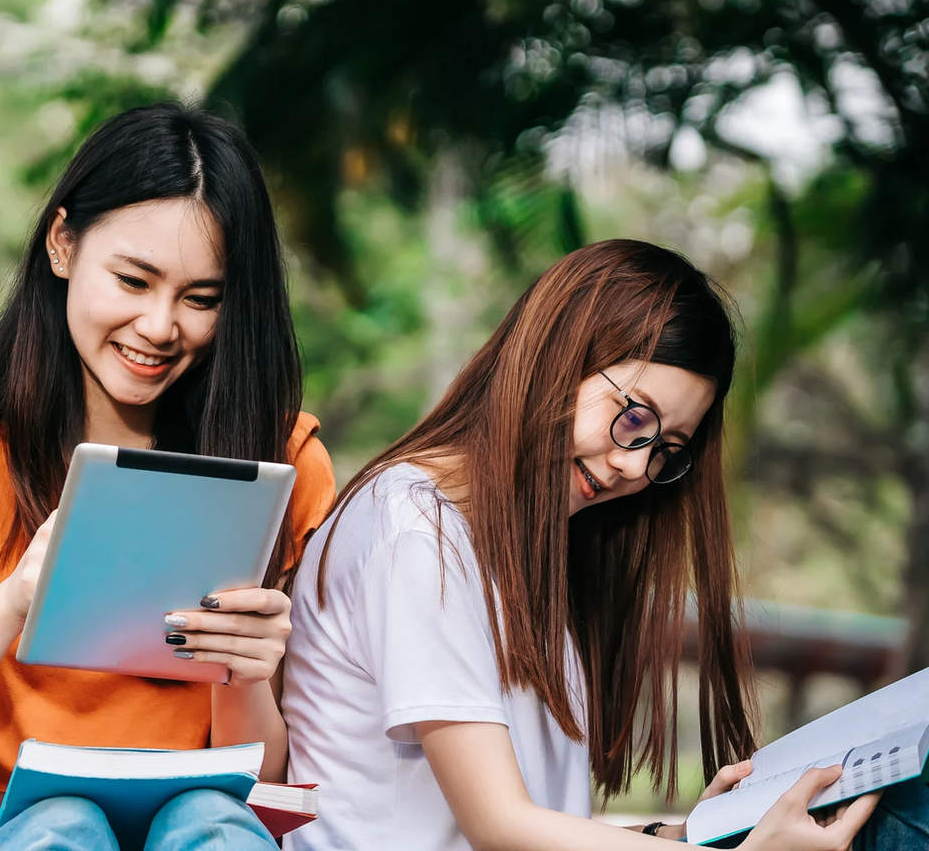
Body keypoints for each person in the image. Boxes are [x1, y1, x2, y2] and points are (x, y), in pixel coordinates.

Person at [0, 104, 338, 850]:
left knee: (211, 823)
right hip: (1, 832)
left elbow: (258, 781)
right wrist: (13, 603)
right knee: (63, 827)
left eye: (201, 298)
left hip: (207, 823)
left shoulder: (277, 462)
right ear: (62, 245)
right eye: (133, 280)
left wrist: (244, 673)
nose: (160, 326)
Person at [282, 239, 929, 851]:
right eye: (636, 418)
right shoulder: (416, 528)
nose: (635, 468)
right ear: (558, 356)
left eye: (665, 448)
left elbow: (544, 820)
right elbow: (501, 829)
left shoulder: (521, 551)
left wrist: (687, 833)